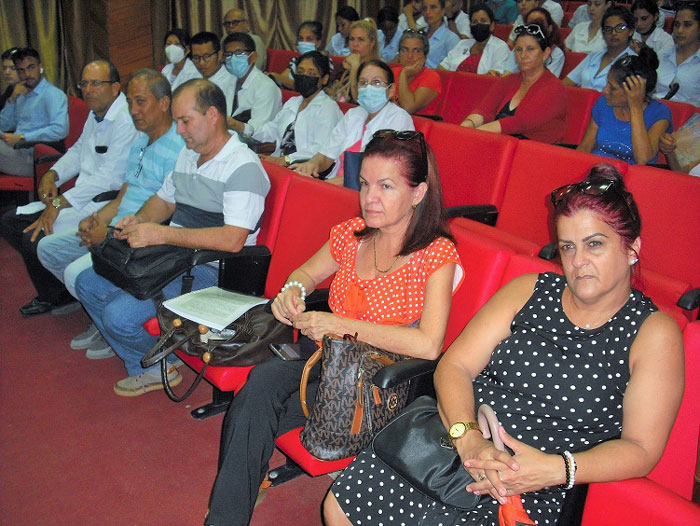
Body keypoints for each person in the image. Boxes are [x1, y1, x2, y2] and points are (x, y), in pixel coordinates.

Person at [323, 164, 684, 526]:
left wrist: (558, 469)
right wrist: (469, 439)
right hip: (454, 443)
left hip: (536, 480)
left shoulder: (653, 333)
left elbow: (642, 449)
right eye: (567, 247)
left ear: (632, 247)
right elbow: (455, 365)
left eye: (595, 244)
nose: (578, 262)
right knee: (339, 508)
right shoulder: (530, 291)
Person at [205, 129, 464, 526]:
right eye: (363, 184)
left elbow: (429, 345)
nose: (369, 197)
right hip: (326, 364)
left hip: (380, 383)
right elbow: (306, 273)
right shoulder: (352, 234)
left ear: (418, 193)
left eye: (386, 186)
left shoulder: (435, 255)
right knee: (260, 389)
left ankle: (230, 506)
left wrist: (341, 325)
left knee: (258, 398)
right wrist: (292, 290)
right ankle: (227, 514)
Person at [73, 79, 270, 396]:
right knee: (88, 282)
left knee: (118, 315)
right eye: (177, 121)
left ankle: (151, 365)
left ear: (212, 115)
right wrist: (138, 221)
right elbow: (165, 200)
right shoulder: (190, 155)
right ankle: (151, 359)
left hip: (212, 270)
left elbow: (233, 240)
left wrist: (161, 233)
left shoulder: (242, 167)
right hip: (174, 256)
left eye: (185, 121)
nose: (179, 130)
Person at [36, 69, 184, 358]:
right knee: (48, 248)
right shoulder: (141, 141)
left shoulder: (179, 148)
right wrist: (98, 220)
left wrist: (111, 234)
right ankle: (100, 316)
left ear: (164, 103)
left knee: (75, 273)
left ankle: (107, 322)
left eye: (141, 102)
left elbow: (164, 212)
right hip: (117, 226)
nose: (133, 110)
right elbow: (124, 193)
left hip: (141, 236)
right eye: (129, 102)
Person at [0, 60, 137, 317]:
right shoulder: (96, 114)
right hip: (78, 197)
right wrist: (53, 174)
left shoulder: (125, 120)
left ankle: (56, 296)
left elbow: (110, 178)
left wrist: (58, 203)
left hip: (101, 203)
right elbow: (76, 150)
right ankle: (60, 288)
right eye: (84, 83)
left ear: (116, 87)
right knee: (10, 222)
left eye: (96, 83)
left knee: (33, 237)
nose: (88, 89)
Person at [291, 60, 415, 181]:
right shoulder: (353, 115)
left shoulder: (399, 118)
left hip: (370, 192)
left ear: (391, 89)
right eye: (363, 83)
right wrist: (312, 164)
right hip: (335, 184)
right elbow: (326, 155)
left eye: (376, 82)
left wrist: (329, 185)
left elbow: (379, 172)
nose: (369, 88)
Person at [460, 23, 567, 144]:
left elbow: (520, 122)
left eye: (530, 49)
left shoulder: (555, 88)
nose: (523, 55)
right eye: (519, 49)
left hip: (537, 153)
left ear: (546, 53)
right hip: (502, 145)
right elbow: (484, 110)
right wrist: (466, 126)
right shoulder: (507, 81)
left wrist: (474, 134)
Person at [578, 50, 671, 165]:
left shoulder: (659, 113)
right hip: (597, 170)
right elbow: (584, 148)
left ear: (633, 90)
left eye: (612, 88)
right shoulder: (603, 103)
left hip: (631, 178)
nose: (605, 90)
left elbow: (642, 159)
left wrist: (635, 107)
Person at [255, 51, 343, 167]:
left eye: (311, 73)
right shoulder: (293, 102)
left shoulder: (328, 108)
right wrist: (246, 130)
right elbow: (271, 130)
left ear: (324, 79)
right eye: (300, 72)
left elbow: (320, 150)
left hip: (305, 169)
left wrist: (286, 159)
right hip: (279, 163)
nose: (304, 77)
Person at [0, 47, 68, 177]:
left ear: (40, 67)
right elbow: (3, 125)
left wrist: (22, 138)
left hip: (36, 159)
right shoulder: (22, 94)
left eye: (31, 68)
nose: (27, 74)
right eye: (21, 70)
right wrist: (12, 99)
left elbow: (60, 130)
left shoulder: (52, 94)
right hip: (17, 151)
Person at [565, 6, 639, 91]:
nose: (613, 33)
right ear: (603, 33)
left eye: (620, 28)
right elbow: (567, 82)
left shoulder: (634, 62)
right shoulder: (593, 57)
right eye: (608, 29)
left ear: (631, 31)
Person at [222, 32, 282, 137]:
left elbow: (258, 133)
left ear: (253, 57)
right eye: (228, 54)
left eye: (239, 53)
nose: (233, 58)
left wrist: (235, 125)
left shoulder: (266, 87)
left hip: (255, 146)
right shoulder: (226, 81)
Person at [440, 4, 511, 75]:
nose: (478, 24)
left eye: (483, 21)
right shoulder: (462, 43)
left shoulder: (500, 47)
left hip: (481, 85)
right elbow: (443, 67)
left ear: (492, 26)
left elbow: (495, 74)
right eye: (474, 22)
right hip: (451, 83)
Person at [328, 18, 381, 104]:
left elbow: (360, 101)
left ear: (371, 43)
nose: (355, 44)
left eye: (361, 40)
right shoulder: (343, 66)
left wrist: (355, 69)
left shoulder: (378, 70)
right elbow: (328, 89)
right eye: (352, 39)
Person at [657, 2, 700, 106]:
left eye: (687, 25)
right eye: (677, 25)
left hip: (690, 118)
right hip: (657, 114)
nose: (679, 30)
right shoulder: (661, 55)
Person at [268, 21, 330, 90]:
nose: (304, 42)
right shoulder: (295, 60)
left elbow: (310, 87)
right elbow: (282, 78)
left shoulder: (326, 61)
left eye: (309, 39)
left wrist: (277, 77)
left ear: (318, 43)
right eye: (300, 39)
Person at [392, 30, 443, 115]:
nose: (409, 56)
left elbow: (408, 108)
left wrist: (403, 74)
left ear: (425, 56)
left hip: (417, 126)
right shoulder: (392, 72)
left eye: (416, 51)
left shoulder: (431, 77)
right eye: (404, 50)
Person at [505, 7, 565, 77]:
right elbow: (507, 74)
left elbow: (547, 81)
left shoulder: (556, 53)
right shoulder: (519, 47)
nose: (535, 26)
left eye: (540, 23)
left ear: (550, 28)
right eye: (530, 23)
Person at [190, 32, 236, 115]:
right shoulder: (192, 80)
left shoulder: (231, 83)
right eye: (196, 58)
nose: (201, 63)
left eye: (207, 56)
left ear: (219, 55)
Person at [421, 0, 462, 67]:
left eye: (433, 7)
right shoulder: (420, 34)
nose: (427, 12)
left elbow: (454, 68)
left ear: (443, 11)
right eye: (424, 8)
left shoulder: (451, 38)